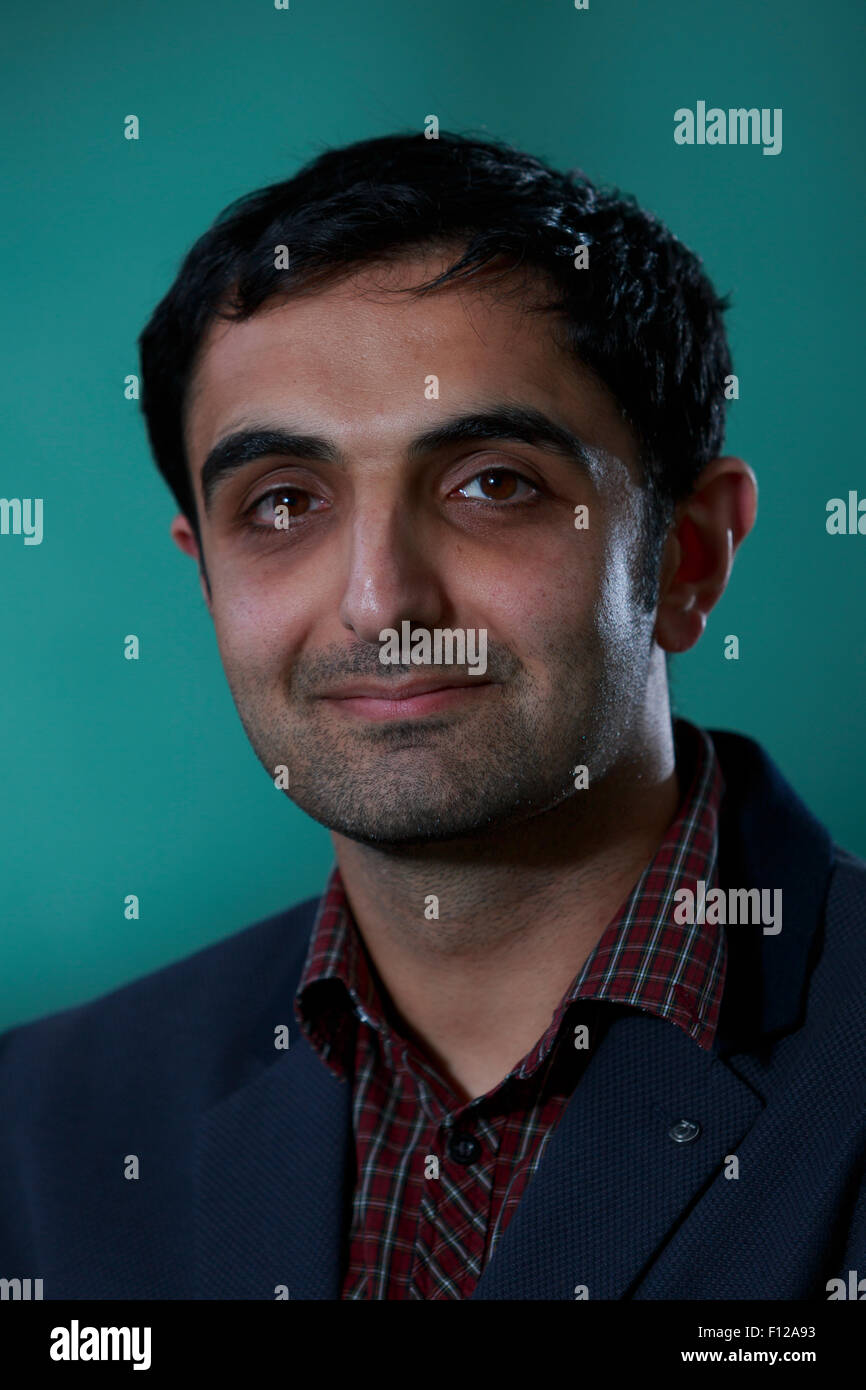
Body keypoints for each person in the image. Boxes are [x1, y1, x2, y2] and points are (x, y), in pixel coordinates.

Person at [1, 131, 864, 1301]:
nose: (377, 602)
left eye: (491, 484)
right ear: (204, 575)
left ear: (687, 557)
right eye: (284, 502)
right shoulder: (49, 1127)